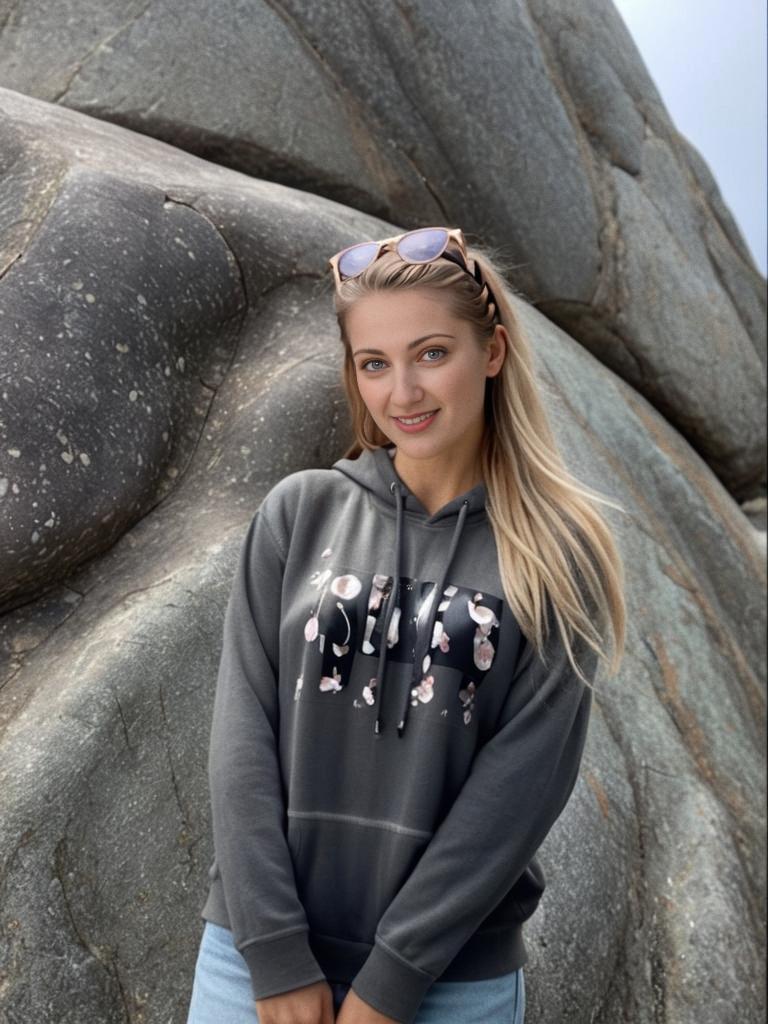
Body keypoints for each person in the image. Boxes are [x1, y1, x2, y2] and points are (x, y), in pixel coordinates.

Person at [186, 226, 626, 1024]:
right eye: (374, 364)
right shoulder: (299, 512)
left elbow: (518, 794)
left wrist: (393, 982)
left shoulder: (558, 555)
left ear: (491, 351)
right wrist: (276, 954)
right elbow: (241, 732)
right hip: (254, 964)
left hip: (450, 983)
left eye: (431, 354)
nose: (403, 394)